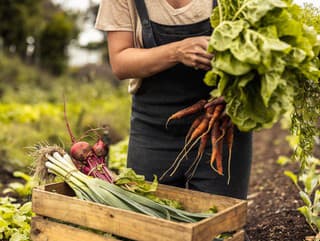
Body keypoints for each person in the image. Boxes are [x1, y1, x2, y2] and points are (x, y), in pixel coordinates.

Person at [95, 0, 252, 200]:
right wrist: (177, 52)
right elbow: (120, 62)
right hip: (153, 128)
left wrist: (238, 82)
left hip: (220, 126)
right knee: (150, 223)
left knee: (222, 225)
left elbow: (262, 45)